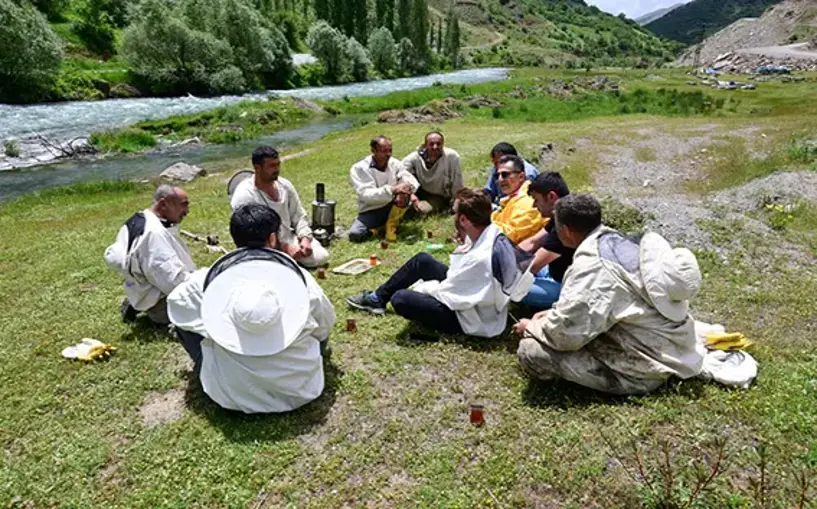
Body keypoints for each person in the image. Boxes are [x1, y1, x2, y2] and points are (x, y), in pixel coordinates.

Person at [514, 195, 706, 395]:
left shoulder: (594, 266)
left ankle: (623, 380)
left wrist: (532, 327)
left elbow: (566, 334)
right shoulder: (617, 241)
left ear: (566, 231)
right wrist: (547, 315)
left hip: (643, 369)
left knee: (532, 351)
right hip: (668, 347)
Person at [167, 204, 336, 414]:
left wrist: (209, 326)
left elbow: (175, 304)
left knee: (183, 324)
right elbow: (325, 326)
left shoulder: (200, 282)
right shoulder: (304, 283)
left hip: (230, 395)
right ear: (272, 238)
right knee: (317, 324)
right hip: (299, 390)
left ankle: (217, 368)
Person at [346, 188, 532, 338]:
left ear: (464, 219)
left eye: (455, 214)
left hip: (472, 317)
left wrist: (423, 287)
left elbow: (450, 295)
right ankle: (377, 298)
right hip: (475, 295)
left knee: (401, 298)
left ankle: (384, 298)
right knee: (423, 260)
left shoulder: (479, 259)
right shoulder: (493, 230)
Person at [104, 184, 195, 325]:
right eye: (183, 205)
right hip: (163, 304)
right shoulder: (154, 234)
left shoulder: (138, 219)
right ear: (163, 204)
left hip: (141, 288)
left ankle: (137, 303)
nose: (187, 211)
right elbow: (174, 282)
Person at [230, 146, 329, 268]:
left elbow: (298, 216)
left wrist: (305, 238)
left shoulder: (285, 185)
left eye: (278, 164)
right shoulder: (245, 195)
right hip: (262, 246)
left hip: (289, 238)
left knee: (321, 256)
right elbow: (248, 234)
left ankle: (291, 259)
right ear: (257, 168)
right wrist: (284, 248)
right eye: (272, 166)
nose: (277, 169)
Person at [516, 172, 574, 311]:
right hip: (555, 271)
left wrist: (497, 270)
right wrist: (505, 255)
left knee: (512, 288)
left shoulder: (566, 224)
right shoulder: (560, 214)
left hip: (569, 287)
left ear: (551, 197)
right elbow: (533, 242)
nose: (534, 206)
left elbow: (533, 265)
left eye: (536, 200)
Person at [349, 135, 419, 242]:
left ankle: (391, 225)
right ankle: (378, 229)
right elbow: (367, 195)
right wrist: (393, 190)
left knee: (407, 194)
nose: (388, 154)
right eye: (384, 151)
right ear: (373, 151)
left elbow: (407, 178)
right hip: (372, 209)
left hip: (394, 205)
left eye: (390, 150)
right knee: (356, 234)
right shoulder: (359, 168)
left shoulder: (394, 163)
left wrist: (405, 188)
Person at [401, 131, 463, 214]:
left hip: (438, 195)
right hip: (419, 190)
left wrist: (456, 202)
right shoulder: (415, 158)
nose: (435, 147)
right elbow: (400, 173)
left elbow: (457, 182)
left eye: (438, 144)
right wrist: (411, 195)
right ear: (425, 145)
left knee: (421, 210)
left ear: (443, 144)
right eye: (431, 144)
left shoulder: (452, 157)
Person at [490, 155, 546, 245]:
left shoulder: (528, 200)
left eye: (505, 175)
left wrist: (479, 228)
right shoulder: (513, 197)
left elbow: (509, 235)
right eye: (497, 176)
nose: (500, 179)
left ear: (521, 176)